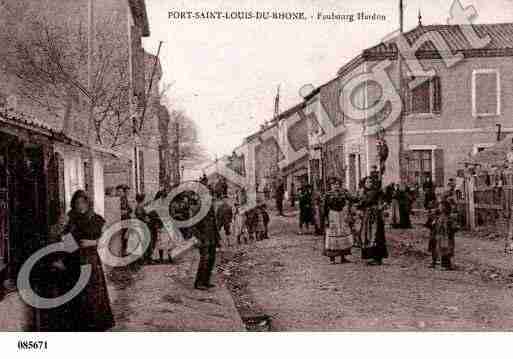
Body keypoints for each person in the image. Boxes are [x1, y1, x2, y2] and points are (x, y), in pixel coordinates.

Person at [61, 190, 114, 331]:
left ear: (88, 203)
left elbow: (106, 240)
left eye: (83, 202)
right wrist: (67, 240)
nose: (80, 205)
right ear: (74, 204)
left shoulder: (96, 219)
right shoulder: (70, 219)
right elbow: (65, 240)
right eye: (77, 203)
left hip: (90, 260)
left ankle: (96, 325)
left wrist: (93, 242)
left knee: (92, 294)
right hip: (73, 261)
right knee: (76, 294)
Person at [192, 197, 221, 290]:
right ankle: (199, 283)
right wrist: (200, 239)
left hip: (212, 239)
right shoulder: (198, 211)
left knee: (211, 260)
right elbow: (193, 227)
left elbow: (214, 226)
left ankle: (206, 281)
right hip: (204, 240)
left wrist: (217, 239)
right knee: (204, 260)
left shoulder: (211, 211)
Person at [323, 178, 354, 264]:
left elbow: (352, 199)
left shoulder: (344, 193)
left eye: (338, 184)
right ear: (331, 185)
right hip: (332, 215)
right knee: (332, 235)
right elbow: (324, 208)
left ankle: (343, 257)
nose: (336, 186)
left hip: (342, 216)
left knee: (343, 234)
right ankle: (332, 258)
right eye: (334, 184)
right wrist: (326, 219)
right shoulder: (327, 195)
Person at [359, 177, 388, 265]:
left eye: (370, 181)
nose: (369, 183)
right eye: (367, 182)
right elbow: (360, 203)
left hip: (375, 216)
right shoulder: (362, 192)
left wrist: (381, 207)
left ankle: (377, 258)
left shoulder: (377, 192)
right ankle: (370, 257)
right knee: (366, 235)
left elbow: (384, 201)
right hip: (366, 216)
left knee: (376, 236)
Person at [429, 195, 458, 270]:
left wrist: (450, 229)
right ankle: (442, 263)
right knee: (441, 249)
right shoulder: (439, 217)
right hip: (440, 235)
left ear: (445, 208)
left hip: (446, 236)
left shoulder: (449, 218)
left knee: (446, 249)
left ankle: (447, 265)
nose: (440, 207)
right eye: (439, 206)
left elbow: (454, 227)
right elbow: (435, 225)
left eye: (441, 206)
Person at [117, 184, 132, 256]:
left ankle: (124, 251)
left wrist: (125, 211)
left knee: (125, 236)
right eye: (118, 191)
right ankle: (124, 251)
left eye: (120, 191)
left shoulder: (123, 198)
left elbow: (129, 209)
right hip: (123, 219)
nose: (119, 193)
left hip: (125, 219)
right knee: (124, 236)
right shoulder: (121, 199)